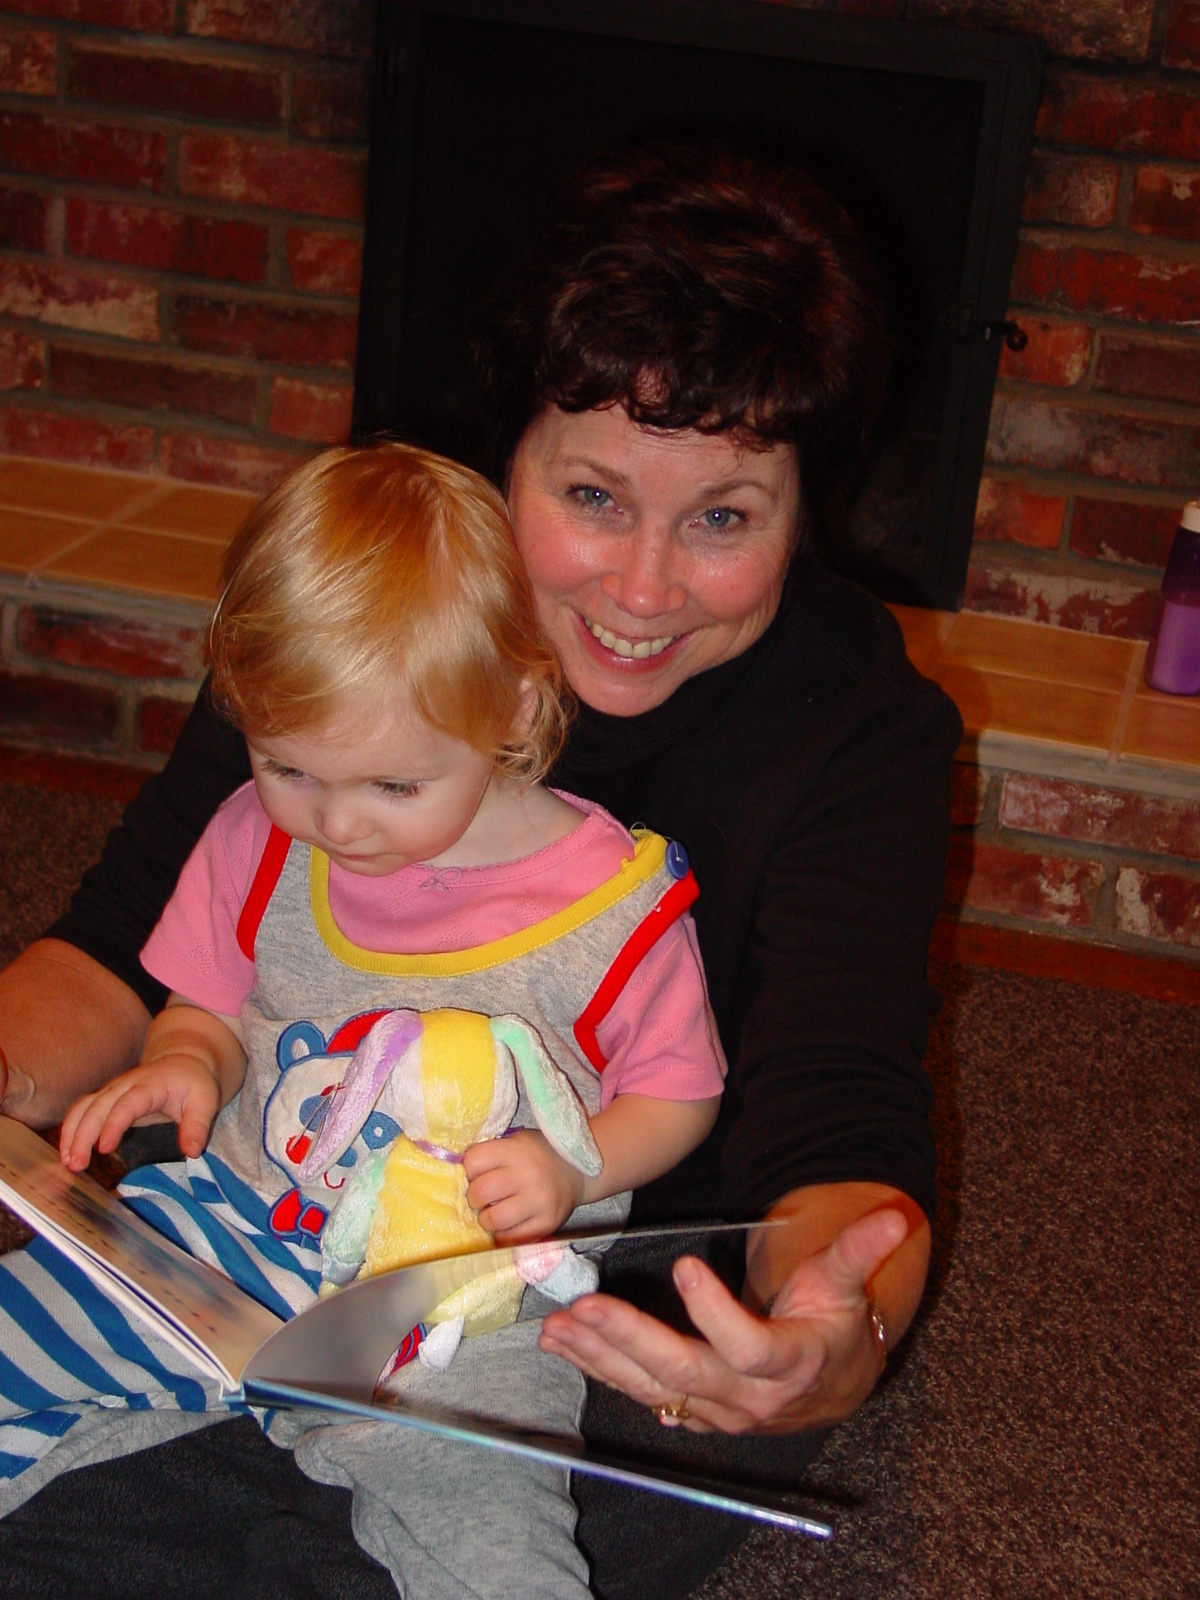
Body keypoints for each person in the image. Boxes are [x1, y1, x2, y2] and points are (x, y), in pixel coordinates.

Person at [0, 145, 961, 1600]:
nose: (640, 588)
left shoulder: (861, 731)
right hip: (263, 1202)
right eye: (592, 494)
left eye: (722, 517)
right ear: (504, 456)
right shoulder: (359, 620)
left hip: (582, 1282)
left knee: (517, 1509)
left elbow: (838, 1111)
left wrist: (832, 1336)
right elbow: (122, 940)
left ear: (802, 514)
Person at [5, 442, 727, 1598]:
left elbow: (680, 1096)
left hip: (464, 1297)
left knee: (486, 1518)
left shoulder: (617, 909)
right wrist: (184, 1062)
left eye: (394, 785)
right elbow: (209, 1005)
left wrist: (572, 1164)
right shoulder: (253, 835)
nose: (336, 824)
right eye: (287, 766)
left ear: (514, 705)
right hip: (228, 1226)